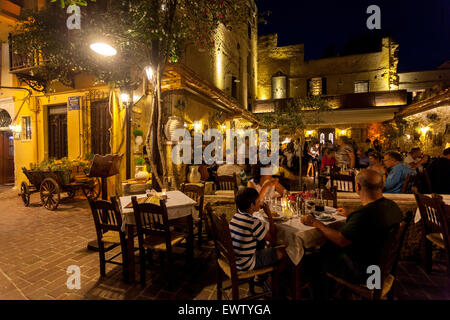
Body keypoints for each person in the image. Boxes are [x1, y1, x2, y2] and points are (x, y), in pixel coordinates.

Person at [300, 169, 403, 299]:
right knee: (327, 251)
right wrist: (351, 214)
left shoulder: (364, 215)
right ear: (382, 186)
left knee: (313, 259)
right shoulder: (392, 206)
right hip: (380, 266)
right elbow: (372, 223)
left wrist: (315, 223)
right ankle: (331, 290)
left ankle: (321, 294)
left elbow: (341, 240)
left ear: (357, 186)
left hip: (364, 271)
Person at [229, 188, 287, 272]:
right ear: (252, 206)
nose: (260, 203)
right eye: (258, 201)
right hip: (246, 264)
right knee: (282, 252)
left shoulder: (235, 216)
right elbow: (273, 240)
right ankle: (272, 282)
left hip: (236, 261)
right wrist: (269, 215)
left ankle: (262, 277)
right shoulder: (253, 222)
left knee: (261, 241)